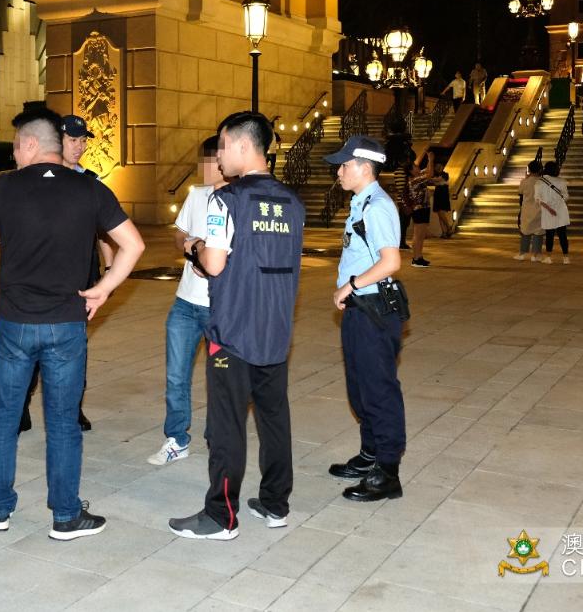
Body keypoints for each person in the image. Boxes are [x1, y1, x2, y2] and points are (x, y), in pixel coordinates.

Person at [0, 108, 145, 541]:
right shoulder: (90, 189)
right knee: (63, 423)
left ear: (32, 144)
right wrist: (104, 288)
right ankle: (66, 516)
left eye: (17, 147)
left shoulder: (4, 188)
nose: (15, 155)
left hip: (15, 323)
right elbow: (133, 244)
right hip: (67, 325)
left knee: (2, 419)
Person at [169, 112, 305, 540]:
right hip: (276, 330)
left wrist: (193, 245)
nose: (219, 157)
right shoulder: (292, 202)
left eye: (223, 147)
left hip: (232, 330)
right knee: (273, 418)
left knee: (227, 423)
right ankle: (275, 503)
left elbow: (213, 264)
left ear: (244, 146)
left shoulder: (224, 200)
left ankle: (220, 516)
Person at [325, 135, 407, 502]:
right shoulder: (361, 203)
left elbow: (391, 261)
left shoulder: (377, 207)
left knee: (379, 390)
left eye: (344, 165)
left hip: (375, 310)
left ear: (364, 167)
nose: (339, 172)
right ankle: (370, 454)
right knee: (360, 388)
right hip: (361, 309)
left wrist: (352, 284)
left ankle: (387, 472)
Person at [19, 113, 104, 433]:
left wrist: (108, 272)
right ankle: (22, 404)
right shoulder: (34, 178)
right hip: (39, 274)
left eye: (83, 141)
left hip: (79, 277)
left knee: (74, 345)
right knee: (31, 342)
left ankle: (72, 408)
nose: (79, 146)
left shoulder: (91, 181)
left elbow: (107, 231)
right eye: (72, 139)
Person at [148, 135, 224, 466]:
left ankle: (219, 438)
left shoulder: (239, 201)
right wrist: (191, 246)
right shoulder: (197, 195)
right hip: (185, 304)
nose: (203, 168)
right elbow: (179, 232)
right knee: (176, 376)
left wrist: (210, 258)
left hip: (220, 307)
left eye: (209, 161)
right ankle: (177, 438)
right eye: (202, 161)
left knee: (221, 377)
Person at [537, 160, 570, 265]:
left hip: (548, 212)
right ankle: (566, 258)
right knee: (562, 235)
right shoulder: (562, 181)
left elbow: (538, 199)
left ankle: (548, 257)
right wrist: (558, 203)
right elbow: (566, 197)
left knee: (549, 235)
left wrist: (549, 208)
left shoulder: (540, 182)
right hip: (561, 210)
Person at [404, 158, 433, 268]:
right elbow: (430, 174)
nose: (418, 167)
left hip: (423, 208)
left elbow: (428, 171)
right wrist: (431, 159)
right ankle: (416, 259)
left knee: (421, 235)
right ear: (411, 170)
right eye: (415, 166)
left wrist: (429, 161)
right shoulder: (414, 180)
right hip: (419, 208)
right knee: (418, 234)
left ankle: (419, 257)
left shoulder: (417, 178)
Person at [516, 160, 545, 262]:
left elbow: (520, 192)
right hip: (539, 209)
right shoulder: (543, 182)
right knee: (538, 232)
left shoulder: (524, 181)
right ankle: (535, 255)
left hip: (527, 209)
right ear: (540, 170)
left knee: (525, 232)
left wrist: (526, 178)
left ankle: (522, 253)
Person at [432, 166, 454, 238]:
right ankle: (444, 232)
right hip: (438, 193)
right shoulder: (435, 175)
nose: (438, 168)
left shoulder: (445, 174)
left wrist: (431, 179)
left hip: (443, 193)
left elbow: (437, 180)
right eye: (437, 166)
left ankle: (448, 227)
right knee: (439, 214)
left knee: (441, 212)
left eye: (440, 166)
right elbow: (435, 181)